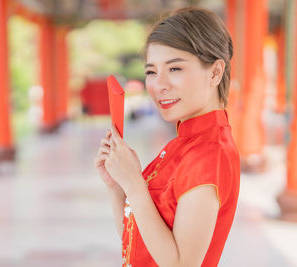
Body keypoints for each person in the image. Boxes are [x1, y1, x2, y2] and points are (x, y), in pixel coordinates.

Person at [94, 7, 240, 267]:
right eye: (151, 71)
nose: (159, 84)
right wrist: (118, 187)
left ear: (215, 72)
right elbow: (139, 246)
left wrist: (135, 186)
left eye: (174, 69)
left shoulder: (207, 153)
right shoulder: (184, 144)